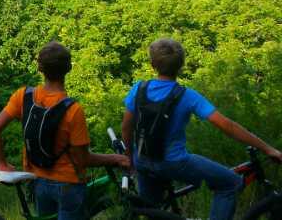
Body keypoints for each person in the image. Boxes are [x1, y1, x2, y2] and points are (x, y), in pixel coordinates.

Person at [121, 38, 282, 220]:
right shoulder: (188, 96)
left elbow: (126, 128)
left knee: (153, 211)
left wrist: (129, 157)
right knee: (230, 184)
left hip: (142, 160)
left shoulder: (138, 89)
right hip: (175, 163)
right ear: (182, 65)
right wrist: (267, 148)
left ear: (153, 65)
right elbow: (227, 126)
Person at [0, 41, 129, 220]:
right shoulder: (73, 110)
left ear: (40, 68)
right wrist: (116, 158)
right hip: (68, 185)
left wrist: (1, 163)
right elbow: (83, 159)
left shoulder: (23, 96)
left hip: (37, 180)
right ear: (69, 68)